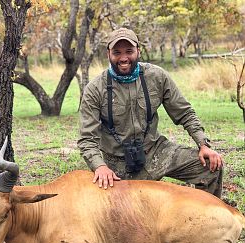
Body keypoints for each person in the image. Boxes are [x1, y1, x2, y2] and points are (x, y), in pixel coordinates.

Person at [77, 27, 223, 198]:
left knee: (211, 167)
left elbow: (185, 113)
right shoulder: (95, 89)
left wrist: (203, 144)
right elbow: (87, 139)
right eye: (117, 52)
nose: (124, 58)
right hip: (118, 161)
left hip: (157, 150)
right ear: (108, 53)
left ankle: (206, 220)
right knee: (117, 212)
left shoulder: (157, 76)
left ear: (138, 51)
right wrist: (100, 167)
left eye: (129, 51)